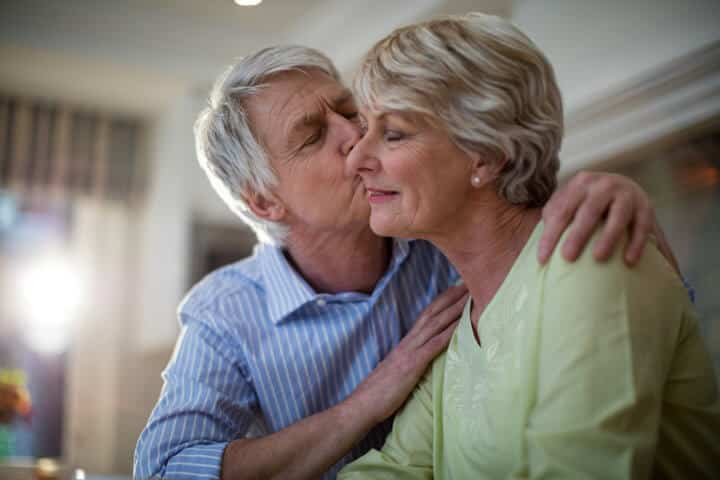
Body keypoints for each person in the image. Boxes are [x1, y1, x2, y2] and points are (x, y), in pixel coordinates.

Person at [133, 44, 678, 479]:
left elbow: (508, 203)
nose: (356, 137)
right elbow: (163, 470)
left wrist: (607, 196)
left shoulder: (443, 241)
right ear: (265, 201)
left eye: (350, 112)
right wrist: (362, 404)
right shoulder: (224, 313)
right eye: (314, 136)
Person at [338, 13, 720, 479]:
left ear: (486, 154)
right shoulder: (460, 321)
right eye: (363, 130)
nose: (356, 158)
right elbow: (392, 470)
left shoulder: (591, 262)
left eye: (393, 133)